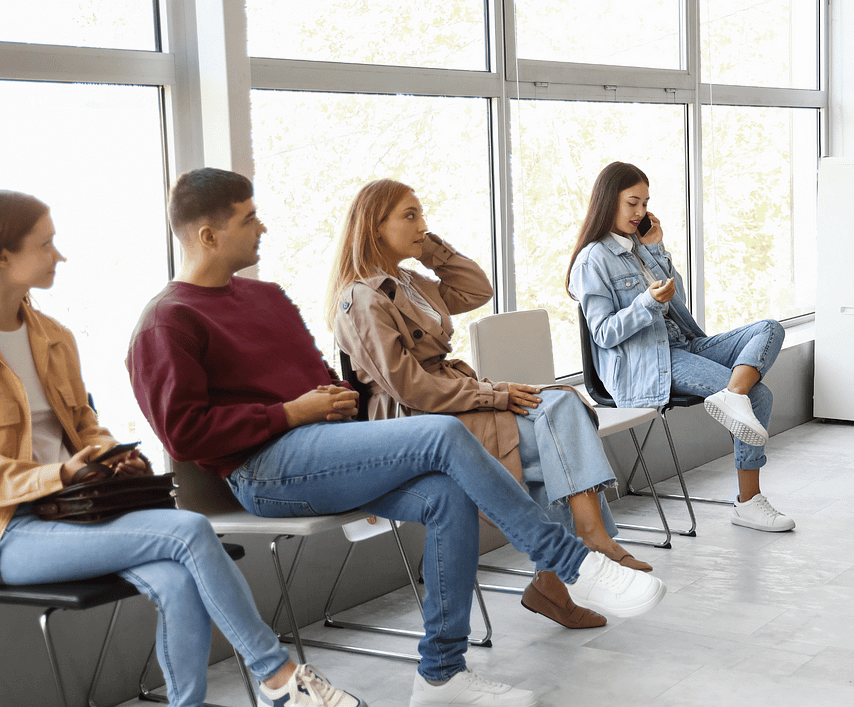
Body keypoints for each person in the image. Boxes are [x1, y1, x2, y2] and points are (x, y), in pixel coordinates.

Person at [128, 169, 666, 707]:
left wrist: (358, 445)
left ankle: (441, 676)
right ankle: (570, 561)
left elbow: (331, 383)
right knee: (442, 435)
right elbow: (185, 433)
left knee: (448, 496)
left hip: (326, 453)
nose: (262, 227)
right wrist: (291, 413)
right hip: (264, 469)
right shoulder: (167, 320)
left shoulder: (264, 298)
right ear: (207, 235)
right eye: (249, 218)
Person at [0, 190, 365, 707]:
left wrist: (105, 456)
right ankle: (277, 676)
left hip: (78, 510)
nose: (59, 255)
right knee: (191, 529)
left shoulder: (53, 336)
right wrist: (59, 476)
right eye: (46, 244)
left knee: (175, 581)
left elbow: (83, 421)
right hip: (13, 529)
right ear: (3, 256)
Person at [329, 179, 650, 632]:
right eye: (410, 216)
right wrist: (493, 393)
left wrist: (431, 250)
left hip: (455, 401)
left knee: (561, 411)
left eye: (422, 214)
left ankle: (568, 566)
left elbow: (478, 290)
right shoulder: (360, 298)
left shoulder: (411, 282)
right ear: (374, 227)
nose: (423, 225)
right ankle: (580, 552)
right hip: (418, 423)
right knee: (556, 428)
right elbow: (409, 388)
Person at [566, 162, 794, 532]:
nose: (641, 213)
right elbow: (604, 333)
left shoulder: (642, 248)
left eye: (645, 204)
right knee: (760, 396)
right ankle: (748, 503)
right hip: (648, 362)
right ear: (609, 202)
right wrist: (646, 303)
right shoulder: (592, 260)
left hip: (685, 345)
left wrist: (658, 251)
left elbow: (679, 306)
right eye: (632, 203)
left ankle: (733, 396)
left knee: (769, 328)